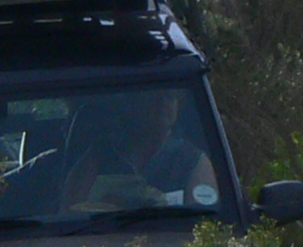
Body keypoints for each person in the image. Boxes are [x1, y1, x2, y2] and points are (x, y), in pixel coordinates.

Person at [60, 90, 218, 212]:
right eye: (155, 96)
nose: (163, 103)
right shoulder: (101, 155)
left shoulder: (192, 160)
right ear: (134, 103)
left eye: (170, 97)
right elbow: (70, 212)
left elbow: (204, 224)